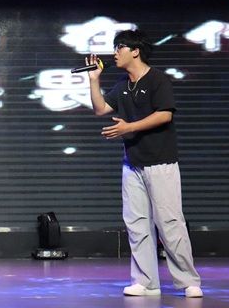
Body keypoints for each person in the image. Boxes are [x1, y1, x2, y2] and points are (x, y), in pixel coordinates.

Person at [86, 30, 202, 298]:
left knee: (170, 223)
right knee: (137, 224)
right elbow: (101, 109)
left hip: (161, 162)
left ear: (135, 51)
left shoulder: (158, 79)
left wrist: (129, 127)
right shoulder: (123, 85)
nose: (115, 53)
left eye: (119, 47)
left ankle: (188, 281)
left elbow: (164, 115)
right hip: (132, 164)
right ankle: (146, 282)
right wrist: (94, 80)